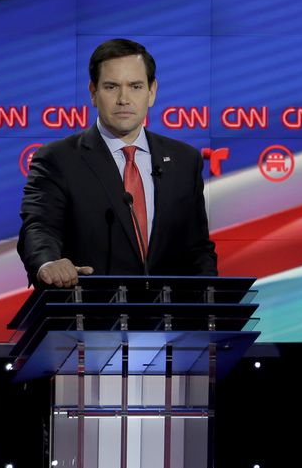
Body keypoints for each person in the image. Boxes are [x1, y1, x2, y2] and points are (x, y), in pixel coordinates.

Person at [17, 38, 217, 286]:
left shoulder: (184, 160)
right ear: (93, 93)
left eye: (135, 86)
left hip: (168, 318)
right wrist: (47, 262)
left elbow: (197, 249)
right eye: (111, 87)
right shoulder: (58, 159)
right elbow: (39, 227)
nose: (124, 98)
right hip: (90, 315)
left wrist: (208, 308)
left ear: (151, 92)